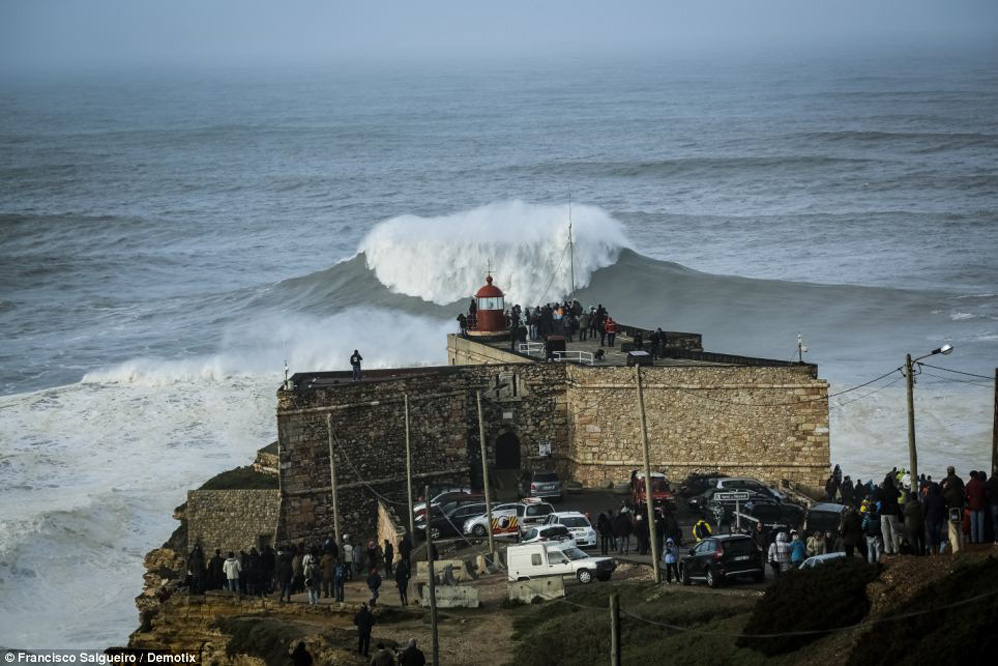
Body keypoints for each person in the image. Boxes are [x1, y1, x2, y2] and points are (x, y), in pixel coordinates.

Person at [943, 466, 966, 553]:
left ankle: (956, 550)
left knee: (953, 531)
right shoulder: (959, 480)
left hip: (950, 509)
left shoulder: (946, 481)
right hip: (960, 509)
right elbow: (964, 491)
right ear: (954, 471)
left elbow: (942, 491)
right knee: (960, 529)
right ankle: (962, 548)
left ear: (948, 472)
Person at [876, 475, 902, 555]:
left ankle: (887, 550)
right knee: (894, 532)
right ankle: (896, 549)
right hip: (893, 513)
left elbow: (877, 497)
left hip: (883, 513)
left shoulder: (882, 490)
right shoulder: (894, 489)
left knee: (885, 532)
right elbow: (899, 494)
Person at [924, 482, 946, 555]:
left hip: (930, 518)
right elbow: (943, 508)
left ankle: (933, 551)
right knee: (938, 535)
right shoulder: (941, 497)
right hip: (939, 518)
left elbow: (925, 508)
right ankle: (938, 549)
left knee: (931, 535)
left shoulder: (927, 497)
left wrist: (924, 516)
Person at [966, 470, 987, 544]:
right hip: (981, 506)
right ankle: (981, 540)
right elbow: (986, 495)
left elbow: (965, 494)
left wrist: (968, 503)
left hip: (972, 506)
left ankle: (974, 540)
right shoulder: (983, 484)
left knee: (973, 525)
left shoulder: (969, 484)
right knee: (981, 524)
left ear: (971, 476)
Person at [904, 491, 926, 556]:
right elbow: (924, 512)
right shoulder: (921, 504)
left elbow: (905, 513)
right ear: (917, 497)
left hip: (913, 526)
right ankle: (923, 553)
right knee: (922, 540)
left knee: (914, 540)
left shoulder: (908, 505)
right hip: (921, 525)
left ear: (911, 498)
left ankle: (916, 553)